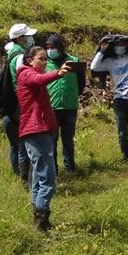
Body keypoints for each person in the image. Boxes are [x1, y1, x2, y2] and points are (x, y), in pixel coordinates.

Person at [17, 46, 73, 230]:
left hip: (39, 131)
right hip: (36, 131)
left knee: (38, 178)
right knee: (48, 178)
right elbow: (39, 79)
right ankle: (41, 221)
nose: (44, 62)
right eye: (41, 59)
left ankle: (40, 219)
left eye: (45, 59)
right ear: (30, 60)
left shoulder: (32, 76)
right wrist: (58, 73)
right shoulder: (26, 74)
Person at [89, 34, 128, 166]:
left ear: (127, 45)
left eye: (122, 44)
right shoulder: (109, 61)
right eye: (117, 45)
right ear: (113, 47)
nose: (120, 47)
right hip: (120, 101)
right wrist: (102, 51)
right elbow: (94, 67)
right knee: (122, 133)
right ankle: (127, 158)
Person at [2, 23, 37, 185]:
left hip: (15, 103)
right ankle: (26, 178)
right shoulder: (20, 57)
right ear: (19, 38)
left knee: (17, 143)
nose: (30, 39)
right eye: (28, 36)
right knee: (25, 141)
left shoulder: (11, 54)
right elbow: (26, 80)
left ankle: (18, 173)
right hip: (22, 102)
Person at [43, 34, 83, 174]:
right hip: (52, 107)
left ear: (60, 48)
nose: (50, 50)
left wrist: (72, 95)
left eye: (52, 47)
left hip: (70, 106)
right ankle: (53, 169)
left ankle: (70, 167)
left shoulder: (74, 61)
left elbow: (81, 83)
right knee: (51, 140)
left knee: (68, 139)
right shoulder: (45, 64)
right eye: (48, 47)